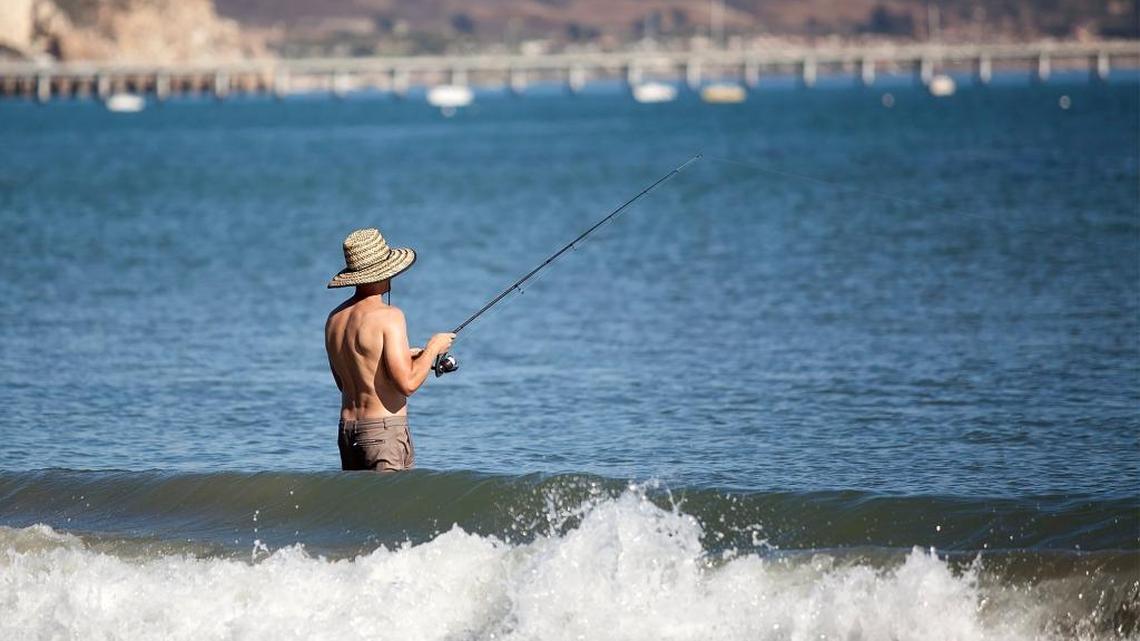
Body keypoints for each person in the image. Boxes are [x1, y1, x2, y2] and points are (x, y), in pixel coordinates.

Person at [324, 228, 455, 472]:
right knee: (389, 510)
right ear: (381, 272)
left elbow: (347, 381)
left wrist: (408, 356)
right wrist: (433, 348)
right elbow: (407, 384)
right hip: (384, 434)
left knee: (361, 510)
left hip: (347, 432)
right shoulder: (389, 317)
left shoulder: (334, 319)